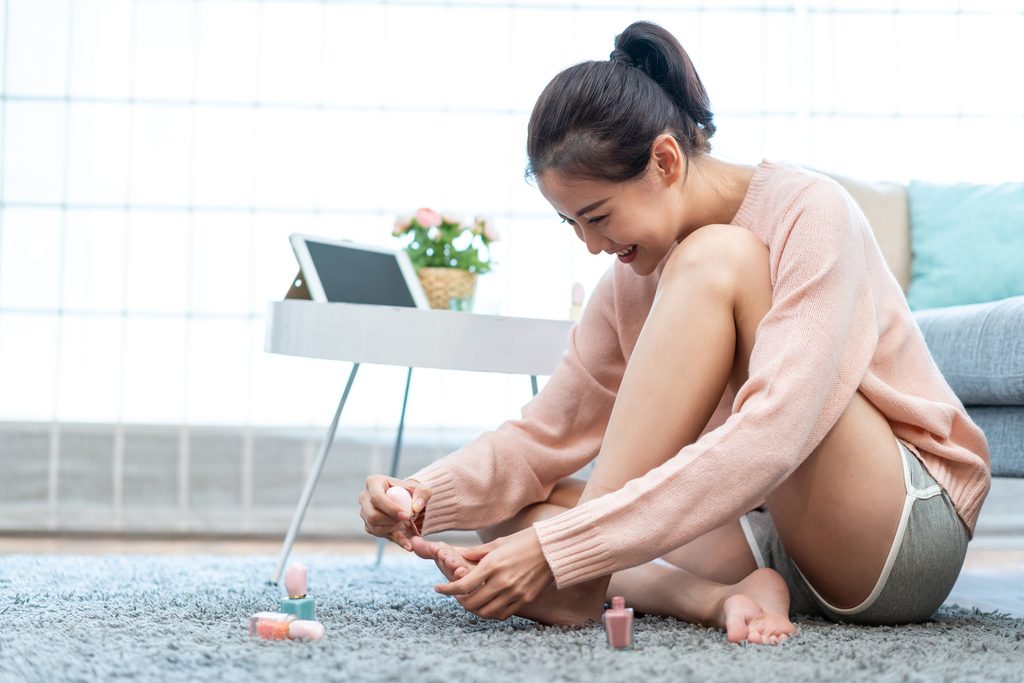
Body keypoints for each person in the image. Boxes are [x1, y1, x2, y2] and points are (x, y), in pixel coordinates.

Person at [358, 21, 990, 644]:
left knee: (719, 256)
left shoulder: (810, 212)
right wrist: (420, 496)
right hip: (775, 536)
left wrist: (570, 547)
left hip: (899, 531)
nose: (591, 246)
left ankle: (585, 573)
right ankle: (717, 599)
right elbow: (544, 434)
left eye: (597, 216)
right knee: (509, 519)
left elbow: (777, 433)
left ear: (665, 160)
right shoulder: (632, 278)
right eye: (570, 224)